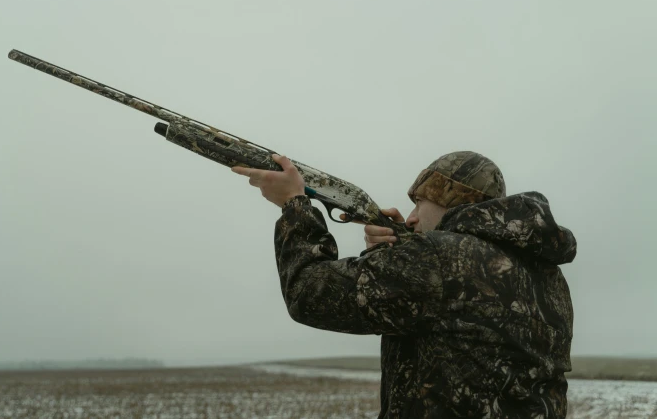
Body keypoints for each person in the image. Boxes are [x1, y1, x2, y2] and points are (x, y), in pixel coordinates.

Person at [232, 151, 575, 418]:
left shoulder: (437, 259)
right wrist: (400, 255)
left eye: (419, 203)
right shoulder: (548, 277)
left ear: (450, 200)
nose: (409, 217)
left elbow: (307, 293)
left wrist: (294, 204)